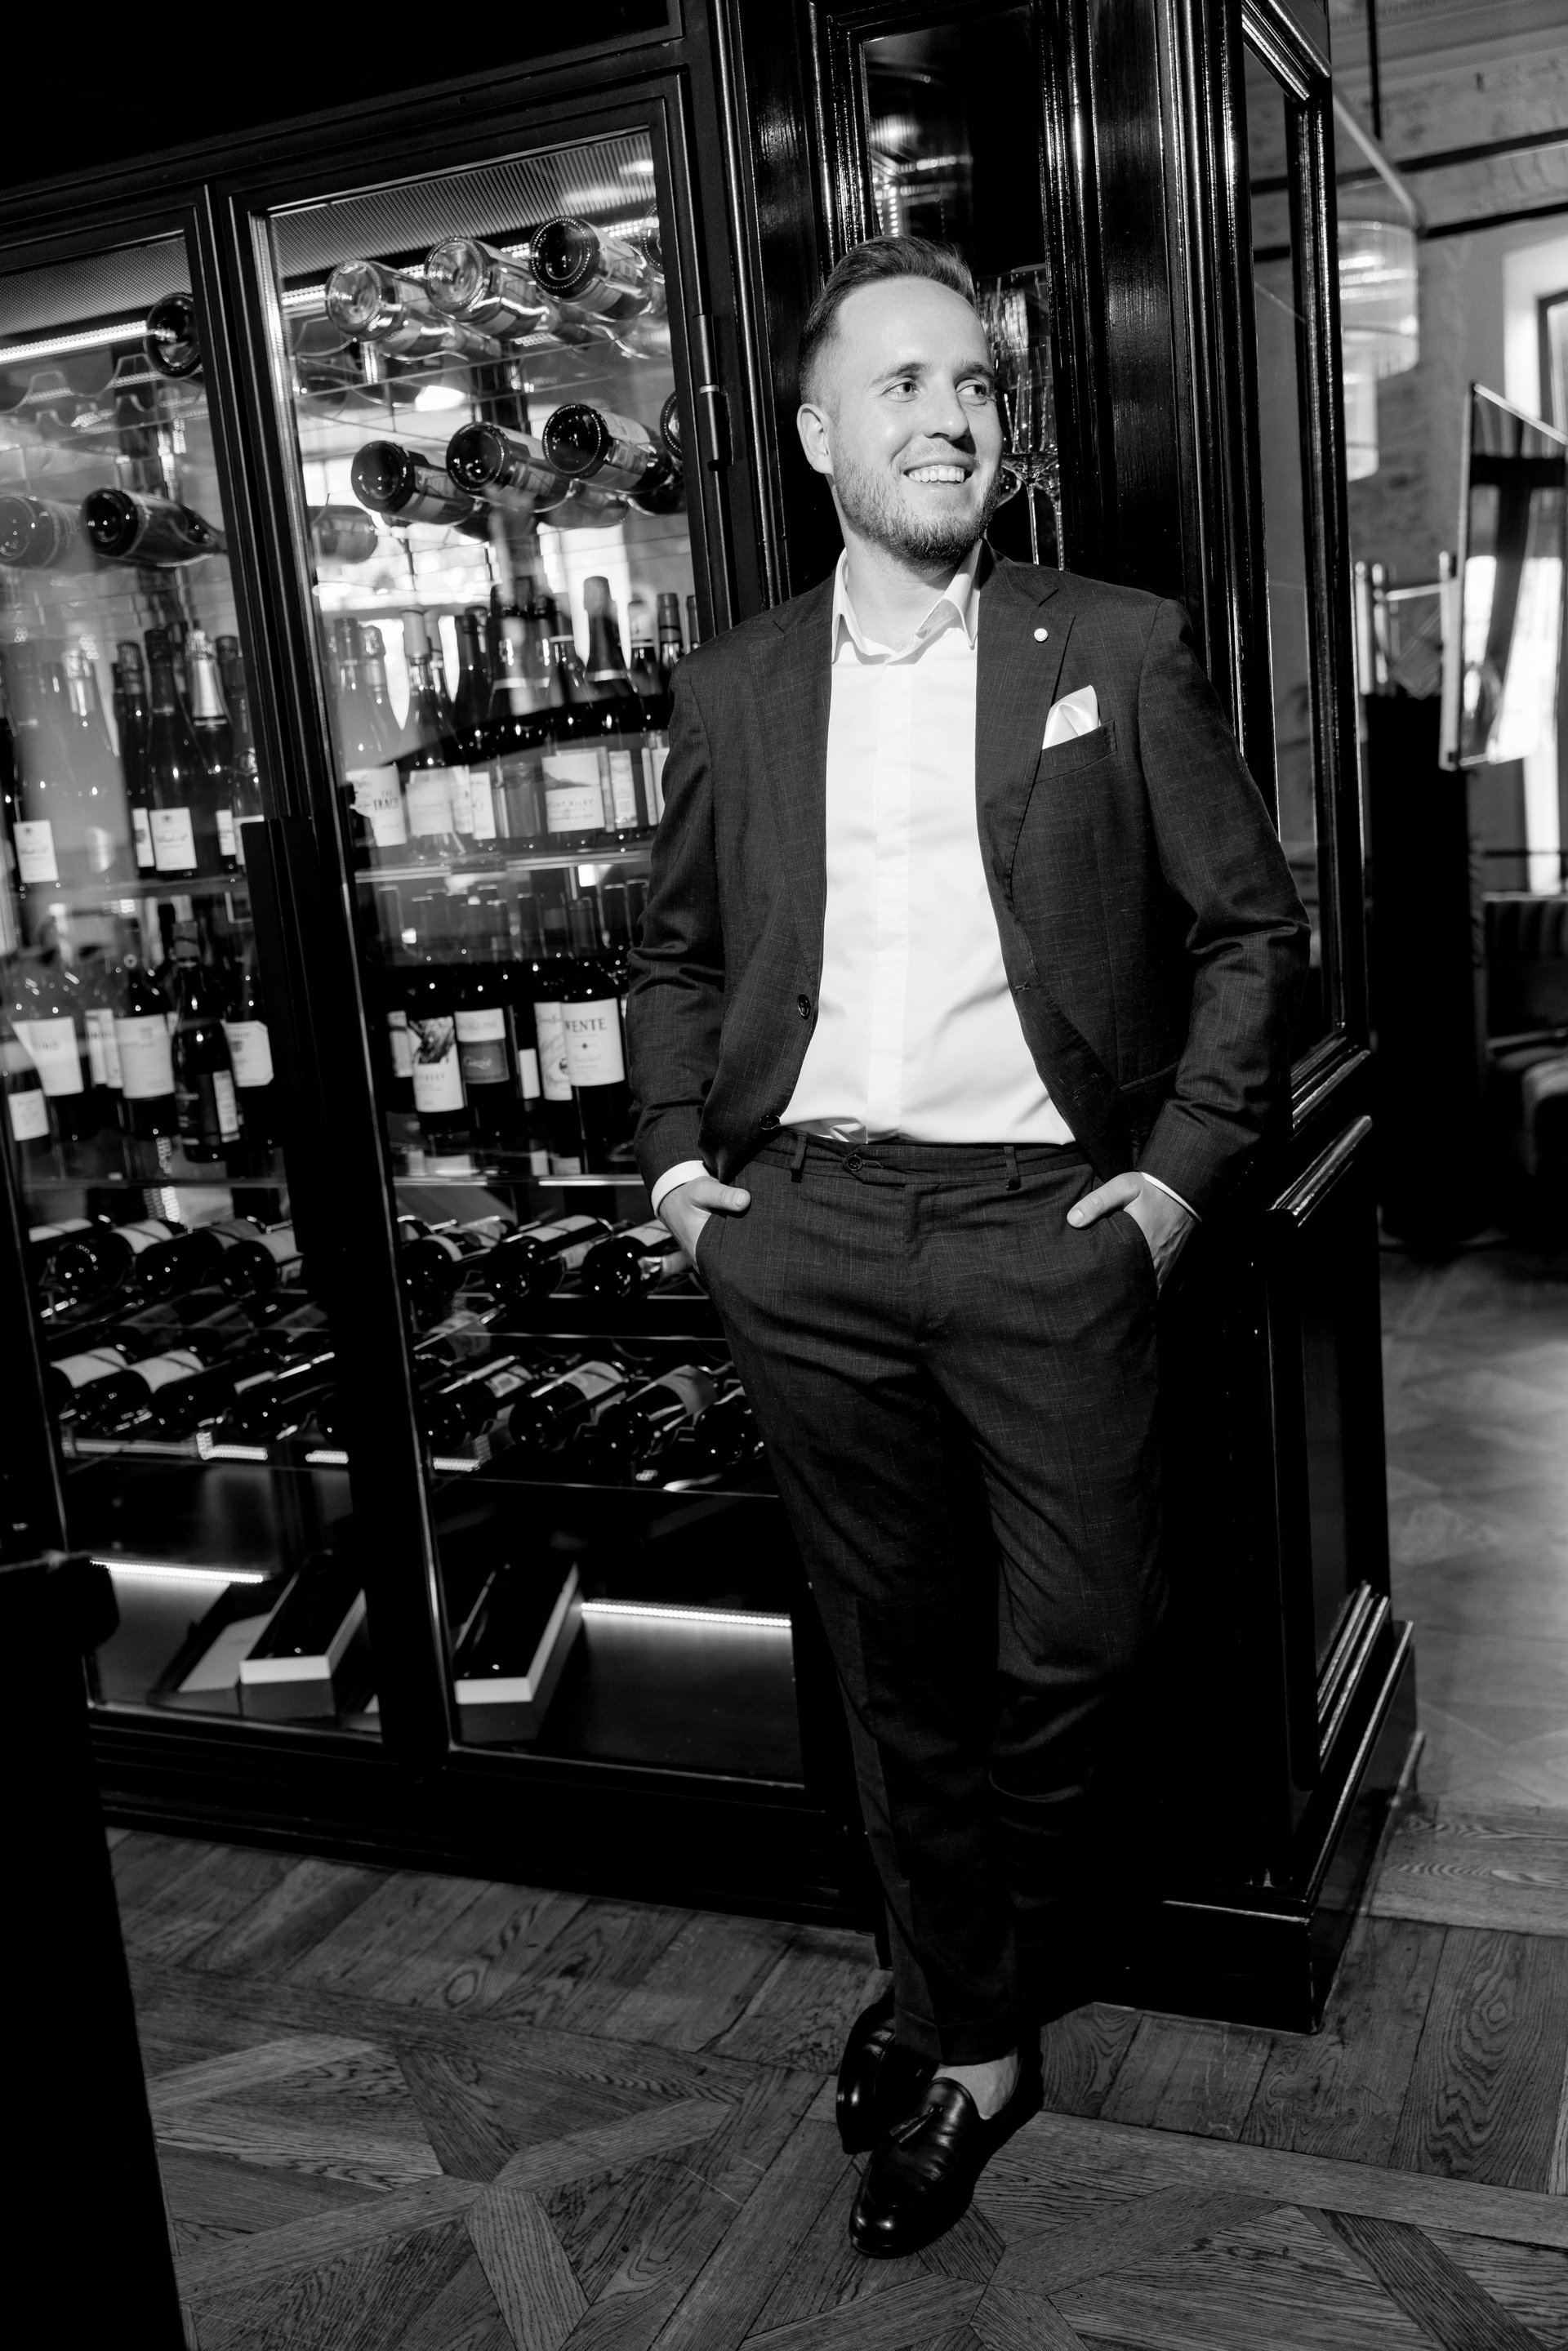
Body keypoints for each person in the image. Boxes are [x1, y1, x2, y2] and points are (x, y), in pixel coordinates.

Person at [626, 234, 1307, 2256]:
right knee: (893, 1666)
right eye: (905, 384)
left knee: (1084, 1645)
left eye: (979, 385)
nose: (952, 417)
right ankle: (976, 2038)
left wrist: (1176, 1180)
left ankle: (949, 1973)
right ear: (816, 431)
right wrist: (677, 1170)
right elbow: (677, 956)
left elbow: (1250, 935)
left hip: (1047, 1233)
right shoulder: (738, 685)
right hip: (807, 1230)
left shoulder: (1116, 642)